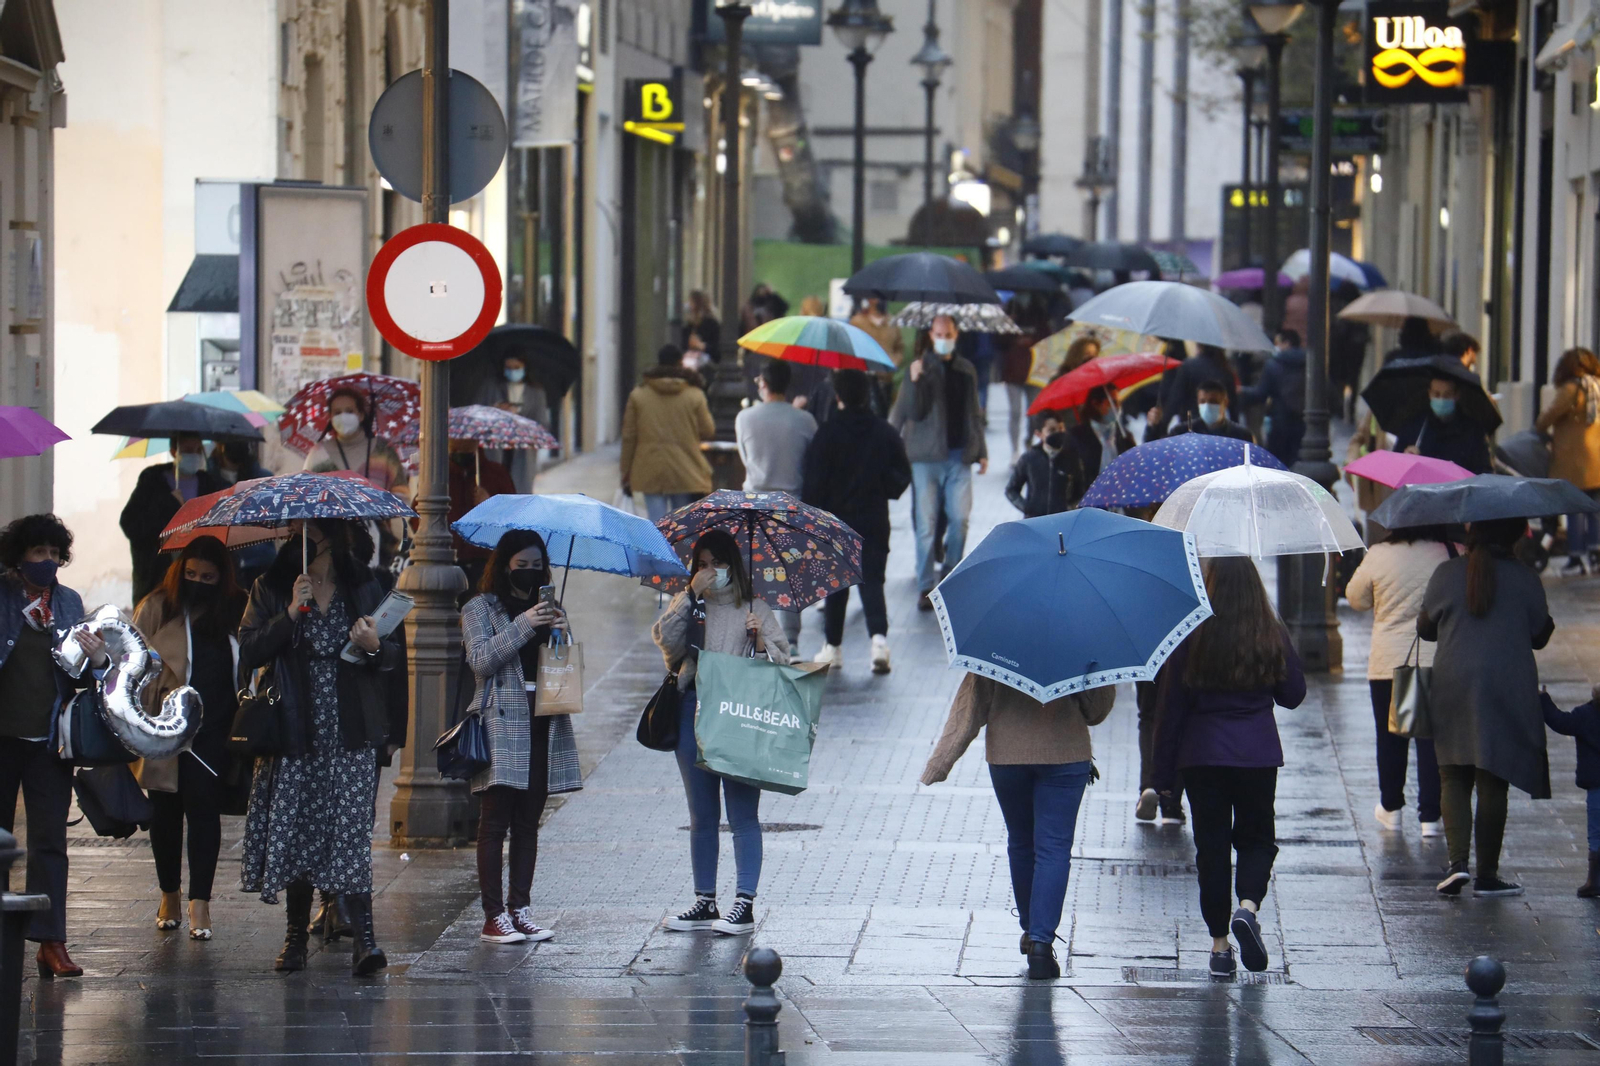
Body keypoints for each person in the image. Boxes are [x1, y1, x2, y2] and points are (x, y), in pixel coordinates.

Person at [238, 519, 404, 976]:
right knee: (301, 830)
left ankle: (365, 941)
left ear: (332, 540)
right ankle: (294, 938)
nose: (299, 542)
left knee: (351, 833)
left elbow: (393, 658)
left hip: (351, 731)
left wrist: (373, 647)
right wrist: (290, 613)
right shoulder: (271, 587)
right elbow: (249, 649)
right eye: (294, 535)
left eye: (309, 535)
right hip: (297, 728)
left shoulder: (366, 586)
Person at [1155, 556, 1307, 979]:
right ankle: (1248, 907)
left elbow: (1170, 710)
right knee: (1258, 840)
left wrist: (1161, 778)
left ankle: (1221, 946)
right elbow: (1293, 694)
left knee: (1212, 849)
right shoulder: (1269, 630)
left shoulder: (1191, 630)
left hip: (1203, 755)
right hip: (1257, 752)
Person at [921, 674, 1117, 980]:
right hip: (1066, 753)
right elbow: (1097, 712)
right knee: (1054, 848)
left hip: (1007, 755)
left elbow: (972, 705)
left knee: (1022, 842)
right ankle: (1041, 940)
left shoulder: (997, 635)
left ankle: (1031, 927)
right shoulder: (1083, 638)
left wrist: (940, 762)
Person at [652, 530, 791, 935]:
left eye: (719, 563)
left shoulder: (756, 609)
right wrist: (688, 597)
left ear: (734, 565)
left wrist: (761, 640)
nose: (711, 572)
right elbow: (665, 645)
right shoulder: (691, 606)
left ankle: (743, 904)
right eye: (703, 564)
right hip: (691, 709)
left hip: (740, 714)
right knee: (702, 814)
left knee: (743, 813)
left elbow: (783, 664)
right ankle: (705, 901)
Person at [1418, 517, 1553, 898]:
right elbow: (1540, 634)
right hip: (1506, 684)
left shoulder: (1446, 573)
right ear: (1513, 535)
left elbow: (1425, 628)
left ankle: (1457, 863)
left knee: (1452, 775)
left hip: (1452, 682)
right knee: (1493, 777)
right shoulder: (1525, 577)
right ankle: (1487, 875)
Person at [462, 530, 583, 944]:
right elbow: (480, 661)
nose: (530, 574)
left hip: (544, 719)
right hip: (501, 719)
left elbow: (562, 670)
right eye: (522, 566)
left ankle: (521, 909)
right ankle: (493, 916)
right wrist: (525, 623)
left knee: (528, 822)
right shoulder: (481, 607)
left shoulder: (551, 607)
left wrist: (561, 634)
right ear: (504, 565)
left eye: (537, 567)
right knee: (494, 822)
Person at [0, 514, 102, 979]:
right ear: (19, 555)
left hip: (48, 742)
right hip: (3, 737)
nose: (47, 561)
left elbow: (80, 676)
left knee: (49, 842)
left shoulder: (68, 602)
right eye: (37, 552)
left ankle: (51, 941)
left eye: (54, 554)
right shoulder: (1, 595)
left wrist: (95, 656)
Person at [130, 535, 244, 942]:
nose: (198, 581)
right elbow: (130, 660)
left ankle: (201, 903)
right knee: (165, 812)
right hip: (164, 725)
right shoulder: (158, 606)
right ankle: (169, 894)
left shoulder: (234, 609)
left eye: (209, 576)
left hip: (215, 726)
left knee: (203, 810)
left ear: (222, 578)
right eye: (191, 573)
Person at [802, 369, 911, 673]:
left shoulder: (827, 433)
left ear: (838, 396)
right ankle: (879, 641)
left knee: (837, 585)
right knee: (872, 580)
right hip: (874, 517)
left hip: (836, 522)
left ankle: (833, 647)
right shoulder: (883, 431)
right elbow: (902, 474)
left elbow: (813, 484)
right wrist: (883, 487)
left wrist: (814, 515)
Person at [1345, 526, 1450, 836]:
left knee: (1390, 736)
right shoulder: (1446, 551)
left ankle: (1391, 808)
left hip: (1388, 663)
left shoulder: (1379, 554)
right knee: (1431, 739)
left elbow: (1356, 598)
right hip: (1434, 658)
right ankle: (1430, 817)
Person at [889, 315, 988, 611]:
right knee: (926, 524)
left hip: (959, 455)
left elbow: (974, 412)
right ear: (930, 335)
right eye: (938, 332)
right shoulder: (919, 368)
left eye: (948, 332)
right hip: (925, 457)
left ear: (956, 333)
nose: (943, 336)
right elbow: (910, 412)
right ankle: (925, 586)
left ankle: (949, 574)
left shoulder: (966, 369)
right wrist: (916, 379)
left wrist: (981, 449)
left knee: (960, 519)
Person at [736, 360, 817, 647]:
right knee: (790, 573)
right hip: (792, 504)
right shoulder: (805, 420)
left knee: (753, 573)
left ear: (763, 384)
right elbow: (810, 462)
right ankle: (791, 640)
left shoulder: (744, 418)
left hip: (753, 504)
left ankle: (754, 634)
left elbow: (746, 459)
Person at [302, 387, 412, 566]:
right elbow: (307, 499)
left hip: (381, 551)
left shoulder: (384, 451)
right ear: (330, 417)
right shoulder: (318, 455)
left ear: (361, 415)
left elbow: (401, 495)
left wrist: (378, 507)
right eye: (337, 412)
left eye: (349, 411)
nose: (343, 416)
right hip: (332, 550)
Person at [120, 433, 225, 605]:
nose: (195, 455)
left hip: (197, 577)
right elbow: (130, 523)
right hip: (157, 576)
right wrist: (169, 510)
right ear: (174, 451)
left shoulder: (208, 483)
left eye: (198, 450)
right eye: (189, 450)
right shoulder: (152, 480)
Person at [621, 345, 716, 523]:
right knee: (681, 525)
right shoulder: (694, 394)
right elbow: (708, 430)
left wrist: (625, 471)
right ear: (680, 363)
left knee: (657, 524)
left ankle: (660, 551)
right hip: (686, 469)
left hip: (649, 470)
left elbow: (629, 437)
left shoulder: (639, 395)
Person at [1536, 347, 1600, 575]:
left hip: (1575, 459)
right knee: (1594, 508)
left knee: (1574, 509)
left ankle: (1576, 556)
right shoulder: (1597, 386)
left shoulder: (1572, 389)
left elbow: (1549, 416)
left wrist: (1540, 427)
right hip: (1597, 459)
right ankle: (1595, 554)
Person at [446, 439, 517, 594]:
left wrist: (489, 504)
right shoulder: (440, 476)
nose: (459, 445)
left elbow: (513, 519)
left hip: (485, 563)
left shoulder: (495, 473)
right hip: (447, 563)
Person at [475, 355, 550, 493]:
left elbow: (542, 424)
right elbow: (479, 414)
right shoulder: (491, 387)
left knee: (519, 492)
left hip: (523, 451)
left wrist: (519, 416)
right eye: (508, 368)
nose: (512, 372)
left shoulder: (536, 392)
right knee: (495, 488)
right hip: (496, 448)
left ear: (525, 368)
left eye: (517, 368)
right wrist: (496, 409)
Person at [1393, 374, 1492, 474]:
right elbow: (1395, 469)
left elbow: (1484, 473)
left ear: (1456, 395)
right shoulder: (1414, 428)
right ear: (1429, 394)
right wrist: (1405, 460)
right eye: (1436, 394)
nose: (1441, 399)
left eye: (1447, 395)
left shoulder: (1472, 431)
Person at [1240, 329, 1307, 466]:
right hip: (1304, 423)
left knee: (1278, 465)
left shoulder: (1273, 364)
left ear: (1286, 343)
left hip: (1280, 423)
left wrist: (1241, 391)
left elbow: (1260, 394)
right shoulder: (1309, 363)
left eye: (1278, 343)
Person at [1000, 299, 1051, 459]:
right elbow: (998, 342)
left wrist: (1032, 341)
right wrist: (1009, 323)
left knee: (1034, 412)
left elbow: (1047, 340)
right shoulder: (1010, 312)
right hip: (1013, 372)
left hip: (1034, 372)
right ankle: (1014, 450)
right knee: (1014, 412)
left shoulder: (1039, 315)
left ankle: (1029, 440)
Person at [1152, 344, 1237, 432]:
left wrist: (1161, 426)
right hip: (1216, 429)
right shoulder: (1225, 370)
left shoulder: (1188, 367)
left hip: (1189, 427)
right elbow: (1233, 408)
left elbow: (1175, 400)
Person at [1006, 417, 1079, 518]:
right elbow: (1011, 489)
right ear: (1039, 434)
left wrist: (1070, 508)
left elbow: (1080, 490)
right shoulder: (1029, 459)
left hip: (1062, 521)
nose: (1057, 433)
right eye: (1052, 430)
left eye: (1061, 429)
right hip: (1035, 520)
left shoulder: (1070, 458)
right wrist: (1027, 507)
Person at [1067, 387, 1136, 491]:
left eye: (1118, 403)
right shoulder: (1077, 435)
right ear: (1095, 404)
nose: (1117, 407)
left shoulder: (1123, 434)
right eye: (1112, 403)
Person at [1157, 381, 1255, 443]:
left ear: (1225, 402)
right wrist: (1154, 427)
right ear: (1197, 402)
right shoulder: (1181, 432)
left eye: (1213, 401)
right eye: (1203, 401)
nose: (1207, 406)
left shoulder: (1241, 436)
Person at [848, 297, 905, 368]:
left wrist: (895, 361)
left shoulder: (892, 322)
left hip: (887, 373)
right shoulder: (857, 322)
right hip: (864, 373)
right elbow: (850, 347)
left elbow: (899, 347)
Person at [683, 291, 722, 360]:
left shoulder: (711, 324)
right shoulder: (689, 325)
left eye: (691, 302)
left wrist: (702, 346)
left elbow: (717, 349)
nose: (689, 306)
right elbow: (683, 344)